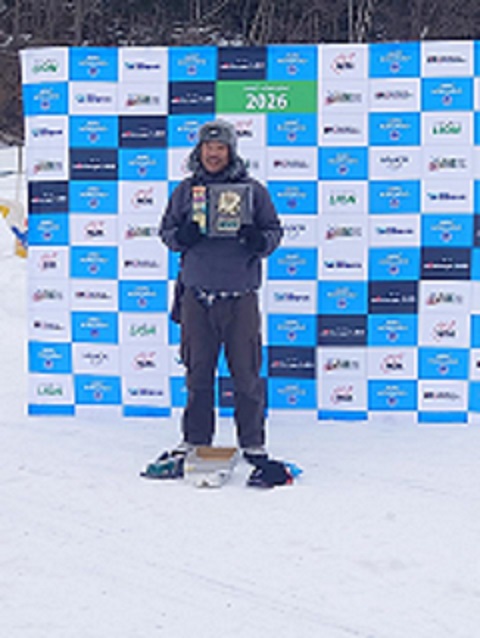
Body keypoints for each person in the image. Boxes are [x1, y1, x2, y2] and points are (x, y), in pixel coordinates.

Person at [159, 119, 282, 461]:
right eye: (208, 147)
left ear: (231, 151)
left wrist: (258, 240)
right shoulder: (186, 191)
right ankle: (195, 439)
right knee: (198, 374)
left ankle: (252, 442)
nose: (213, 154)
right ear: (199, 150)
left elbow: (273, 231)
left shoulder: (253, 190)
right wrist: (181, 236)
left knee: (246, 375)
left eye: (220, 148)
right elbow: (166, 231)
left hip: (240, 298)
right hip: (197, 297)